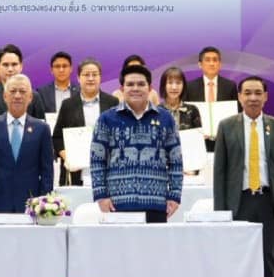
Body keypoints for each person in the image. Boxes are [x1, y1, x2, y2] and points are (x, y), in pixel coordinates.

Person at [213, 75, 274, 277]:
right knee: (237, 256)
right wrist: (220, 212)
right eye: (247, 93)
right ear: (239, 96)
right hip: (239, 201)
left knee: (268, 256)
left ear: (266, 96)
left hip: (268, 202)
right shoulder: (226, 126)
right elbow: (219, 172)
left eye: (258, 93)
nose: (253, 98)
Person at [91, 62, 182, 223]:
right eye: (130, 84)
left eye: (141, 84)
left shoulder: (165, 118)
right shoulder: (106, 119)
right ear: (122, 89)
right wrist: (101, 195)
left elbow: (176, 160)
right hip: (117, 204)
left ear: (150, 88)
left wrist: (175, 195)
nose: (135, 88)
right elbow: (97, 160)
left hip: (156, 204)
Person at [0, 74, 54, 223]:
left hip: (32, 206)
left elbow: (47, 172)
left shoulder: (42, 129)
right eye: (13, 91)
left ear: (30, 97)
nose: (17, 96)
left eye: (22, 92)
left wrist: (44, 205)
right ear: (5, 96)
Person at [53, 57, 118, 186]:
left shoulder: (112, 103)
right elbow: (57, 137)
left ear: (100, 77)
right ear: (78, 78)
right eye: (86, 75)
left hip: (106, 171)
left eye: (94, 74)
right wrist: (67, 157)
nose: (90, 78)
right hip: (76, 172)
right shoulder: (68, 105)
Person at [0, 44, 46, 142]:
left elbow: (41, 130)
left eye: (14, 64)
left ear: (21, 66)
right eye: (5, 65)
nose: (10, 69)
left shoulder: (34, 96)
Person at [158, 66, 203, 132]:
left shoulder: (193, 110)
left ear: (183, 86)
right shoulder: (156, 111)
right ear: (163, 85)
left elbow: (198, 135)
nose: (174, 87)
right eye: (170, 83)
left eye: (178, 83)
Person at [35, 51, 79, 116]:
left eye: (64, 66)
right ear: (52, 70)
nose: (61, 70)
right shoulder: (42, 93)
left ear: (71, 69)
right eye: (57, 66)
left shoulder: (80, 91)